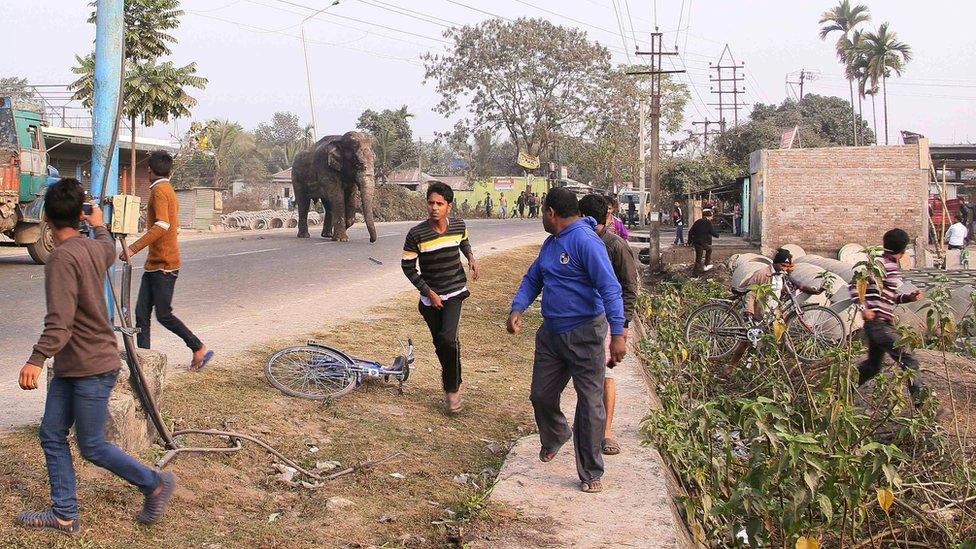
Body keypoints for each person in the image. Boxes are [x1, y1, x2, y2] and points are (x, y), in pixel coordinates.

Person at [16, 179, 177, 537]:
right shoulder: (94, 248)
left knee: (92, 445)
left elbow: (58, 324)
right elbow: (106, 244)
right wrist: (100, 225)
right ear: (80, 215)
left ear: (46, 218)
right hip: (78, 365)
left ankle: (154, 483)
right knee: (52, 433)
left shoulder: (61, 258)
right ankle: (63, 514)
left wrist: (36, 359)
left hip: (89, 367)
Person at [507, 188, 626, 494]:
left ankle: (590, 470)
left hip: (585, 333)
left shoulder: (586, 242)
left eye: (542, 210)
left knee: (589, 404)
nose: (541, 216)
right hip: (551, 334)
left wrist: (618, 333)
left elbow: (610, 287)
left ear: (551, 213)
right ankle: (557, 433)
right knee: (541, 395)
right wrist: (518, 307)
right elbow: (533, 277)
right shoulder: (551, 244)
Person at [122, 151, 213, 371]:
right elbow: (174, 226)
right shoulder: (166, 189)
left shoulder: (160, 191)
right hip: (155, 264)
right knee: (141, 314)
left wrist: (133, 248)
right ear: (171, 172)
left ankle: (198, 346)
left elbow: (162, 225)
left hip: (163, 266)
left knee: (163, 315)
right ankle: (143, 363)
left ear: (149, 171)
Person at [402, 182, 480, 414]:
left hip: (455, 292)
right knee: (441, 345)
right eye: (430, 203)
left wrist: (471, 257)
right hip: (430, 299)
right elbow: (408, 267)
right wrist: (428, 292)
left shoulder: (458, 225)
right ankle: (452, 380)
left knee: (448, 340)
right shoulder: (416, 234)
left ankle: (452, 392)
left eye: (439, 204)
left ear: (449, 206)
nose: (434, 208)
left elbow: (463, 241)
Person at [578, 195, 638, 457]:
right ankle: (587, 426)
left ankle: (606, 432)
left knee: (606, 376)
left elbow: (629, 287)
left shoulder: (615, 246)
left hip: (608, 320)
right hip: (582, 318)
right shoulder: (577, 241)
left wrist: (621, 327)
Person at [851, 228, 927, 407]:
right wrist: (863, 308)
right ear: (903, 250)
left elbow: (888, 298)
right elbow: (854, 285)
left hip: (880, 323)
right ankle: (923, 408)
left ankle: (840, 394)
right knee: (909, 359)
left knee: (872, 367)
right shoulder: (880, 265)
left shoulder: (889, 266)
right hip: (879, 324)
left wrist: (908, 297)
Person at [727, 249, 825, 369]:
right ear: (776, 263)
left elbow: (799, 285)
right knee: (747, 340)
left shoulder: (782, 274)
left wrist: (816, 291)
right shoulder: (763, 274)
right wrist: (749, 312)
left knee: (767, 341)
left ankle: (754, 365)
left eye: (786, 266)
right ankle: (731, 366)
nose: (784, 268)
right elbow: (751, 294)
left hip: (771, 313)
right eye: (782, 265)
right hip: (757, 311)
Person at [689, 209, 719, 275]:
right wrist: (717, 235)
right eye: (711, 216)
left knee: (698, 258)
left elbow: (690, 232)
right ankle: (705, 266)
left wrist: (689, 242)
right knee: (709, 250)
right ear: (708, 216)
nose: (712, 218)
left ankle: (695, 274)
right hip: (703, 242)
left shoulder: (697, 221)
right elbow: (712, 232)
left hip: (696, 242)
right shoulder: (708, 222)